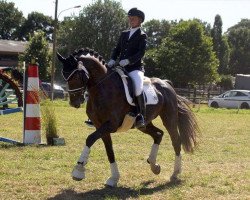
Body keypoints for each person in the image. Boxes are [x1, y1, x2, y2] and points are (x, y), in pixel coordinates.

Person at [107, 7, 147, 128]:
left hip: (135, 68)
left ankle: (140, 115)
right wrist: (112, 59)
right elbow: (117, 48)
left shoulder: (142, 35)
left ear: (140, 20)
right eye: (129, 18)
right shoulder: (124, 34)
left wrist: (129, 60)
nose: (131, 20)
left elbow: (141, 53)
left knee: (138, 88)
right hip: (121, 67)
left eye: (133, 18)